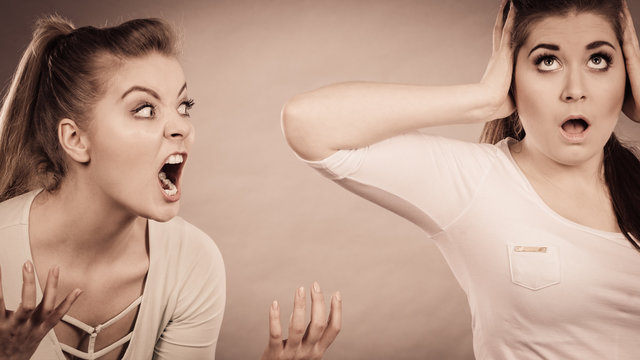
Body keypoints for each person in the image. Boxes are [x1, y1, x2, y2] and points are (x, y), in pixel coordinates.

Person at [282, 0, 640, 358]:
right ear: (512, 74)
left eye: (598, 61)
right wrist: (483, 99)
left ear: (626, 74)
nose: (575, 89)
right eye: (548, 61)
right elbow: (307, 121)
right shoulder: (477, 182)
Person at [0, 16, 341, 359]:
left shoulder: (192, 262)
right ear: (75, 139)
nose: (181, 127)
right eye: (145, 109)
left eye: (183, 106)